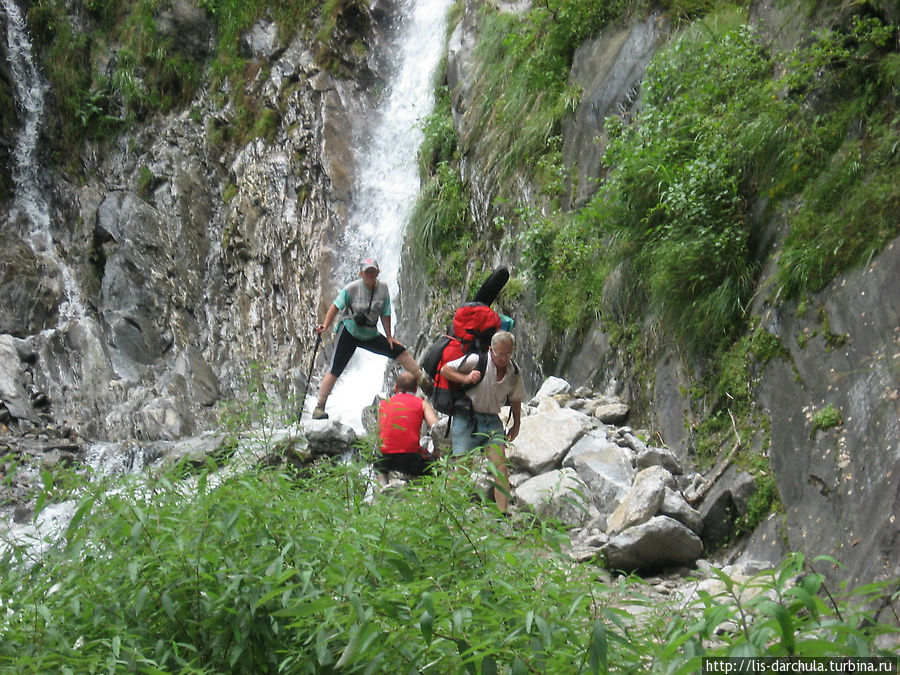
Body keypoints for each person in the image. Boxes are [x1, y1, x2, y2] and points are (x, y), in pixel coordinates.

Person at [313, 257, 433, 419]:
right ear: (361, 273)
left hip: (370, 333)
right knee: (336, 368)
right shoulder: (352, 288)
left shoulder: (383, 289)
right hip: (349, 331)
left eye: (373, 271)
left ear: (377, 272)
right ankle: (319, 407)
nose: (370, 274)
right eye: (367, 271)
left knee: (399, 351)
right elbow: (336, 306)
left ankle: (423, 382)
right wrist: (325, 325)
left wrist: (389, 336)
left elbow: (385, 313)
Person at [439, 331, 524, 513]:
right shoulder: (477, 360)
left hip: (492, 420)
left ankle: (502, 514)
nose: (503, 359)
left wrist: (516, 424)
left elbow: (516, 398)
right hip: (466, 418)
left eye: (507, 354)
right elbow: (445, 369)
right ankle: (444, 510)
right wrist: (465, 378)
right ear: (491, 350)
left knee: (500, 467)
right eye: (499, 354)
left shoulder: (514, 371)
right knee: (463, 469)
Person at [375, 371, 439, 487]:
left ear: (396, 387)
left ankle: (383, 487)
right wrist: (436, 452)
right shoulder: (422, 404)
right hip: (411, 458)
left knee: (379, 461)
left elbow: (380, 432)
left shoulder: (383, 404)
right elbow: (437, 428)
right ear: (415, 389)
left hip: (386, 457)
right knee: (435, 465)